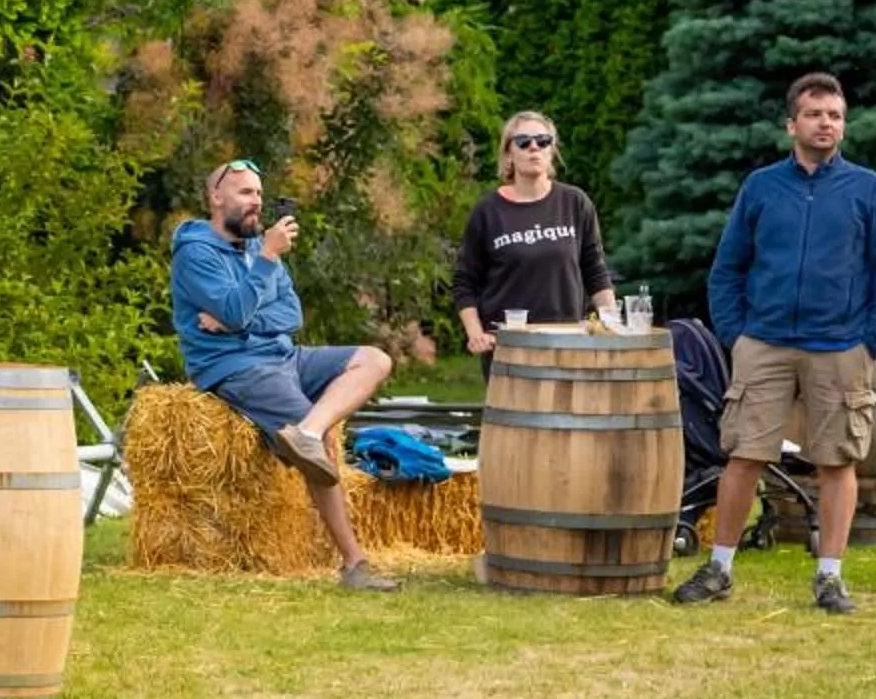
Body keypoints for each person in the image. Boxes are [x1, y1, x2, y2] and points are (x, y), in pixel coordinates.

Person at [671, 72, 876, 616]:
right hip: (765, 344)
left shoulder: (868, 189)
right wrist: (737, 337)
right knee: (743, 456)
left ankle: (830, 578)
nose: (826, 124)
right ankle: (719, 568)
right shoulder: (761, 187)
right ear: (791, 124)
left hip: (840, 346)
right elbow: (727, 268)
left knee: (837, 461)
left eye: (835, 116)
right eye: (815, 114)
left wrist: (869, 343)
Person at [169, 159, 398, 592]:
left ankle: (307, 430)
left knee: (374, 360)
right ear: (216, 198)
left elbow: (290, 315)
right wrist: (267, 261)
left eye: (259, 193)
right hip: (236, 367)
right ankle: (355, 565)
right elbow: (234, 309)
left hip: (284, 354)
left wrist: (238, 320)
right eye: (245, 193)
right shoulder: (196, 253)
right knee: (322, 450)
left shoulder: (259, 246)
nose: (256, 202)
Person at [452, 110, 621, 373]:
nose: (534, 147)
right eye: (523, 142)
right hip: (508, 347)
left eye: (543, 141)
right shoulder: (488, 211)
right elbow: (465, 282)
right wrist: (476, 334)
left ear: (552, 150)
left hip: (568, 343)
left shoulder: (575, 203)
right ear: (508, 154)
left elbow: (596, 272)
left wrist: (613, 325)